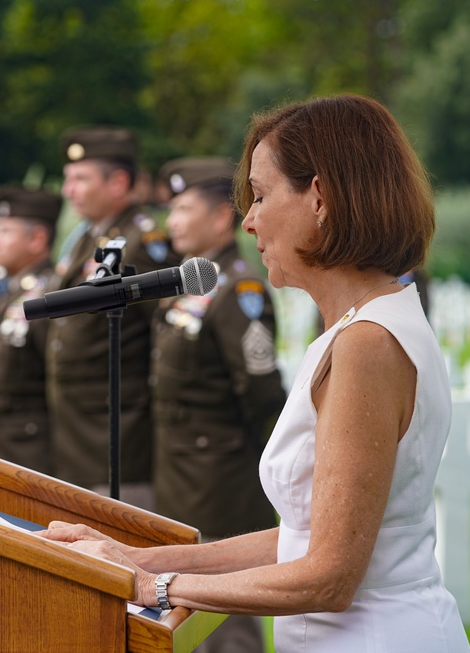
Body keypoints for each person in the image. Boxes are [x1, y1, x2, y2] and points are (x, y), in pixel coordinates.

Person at [39, 95, 470, 653]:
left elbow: (330, 575)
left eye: (262, 195)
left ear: (320, 197)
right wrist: (136, 559)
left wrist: (156, 587)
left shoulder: (368, 342)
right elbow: (300, 539)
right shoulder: (370, 322)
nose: (248, 220)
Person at [151, 156, 287, 653]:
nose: (172, 222)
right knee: (186, 621)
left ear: (219, 217)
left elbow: (261, 392)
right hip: (180, 477)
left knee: (227, 625)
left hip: (223, 481)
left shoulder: (239, 289)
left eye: (184, 208)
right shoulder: (191, 283)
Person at [45, 126, 179, 508]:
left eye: (80, 179)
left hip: (118, 438)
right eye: (68, 179)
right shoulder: (90, 239)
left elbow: (164, 333)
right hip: (78, 436)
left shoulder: (144, 243)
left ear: (118, 182)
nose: (69, 190)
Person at [0, 186, 63, 474]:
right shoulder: (14, 289)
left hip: (31, 446)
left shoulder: (49, 294)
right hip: (3, 440)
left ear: (37, 238)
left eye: (4, 231)